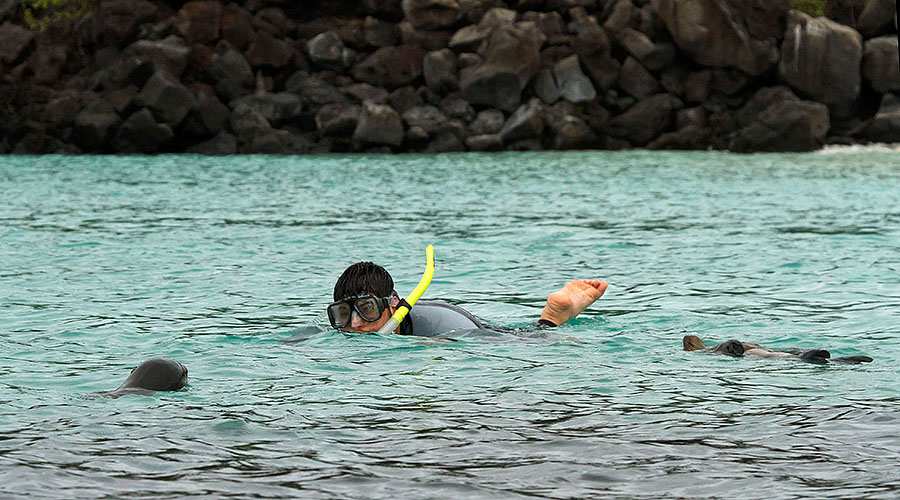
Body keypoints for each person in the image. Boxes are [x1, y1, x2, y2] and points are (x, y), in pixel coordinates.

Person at [327, 261, 607, 336]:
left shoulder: (441, 324)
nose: (355, 323)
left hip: (474, 333)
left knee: (528, 338)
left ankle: (552, 317)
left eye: (366, 309)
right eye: (343, 313)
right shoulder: (347, 332)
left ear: (393, 304)